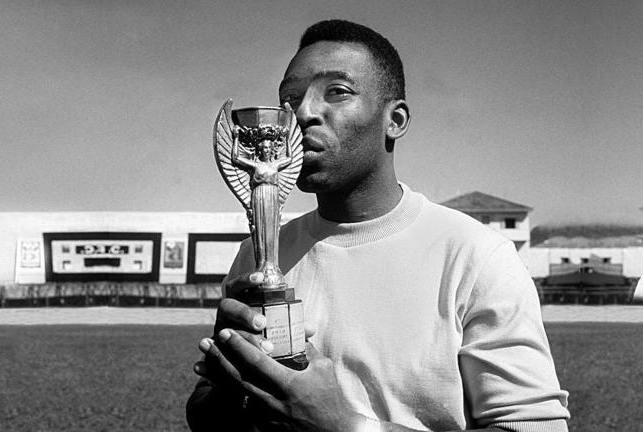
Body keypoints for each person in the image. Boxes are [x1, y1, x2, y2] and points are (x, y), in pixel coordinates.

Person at [186, 19, 570, 432]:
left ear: (395, 120)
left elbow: (537, 426)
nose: (303, 113)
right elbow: (206, 419)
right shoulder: (259, 255)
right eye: (289, 99)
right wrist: (227, 373)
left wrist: (348, 427)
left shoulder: (475, 256)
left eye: (337, 91)